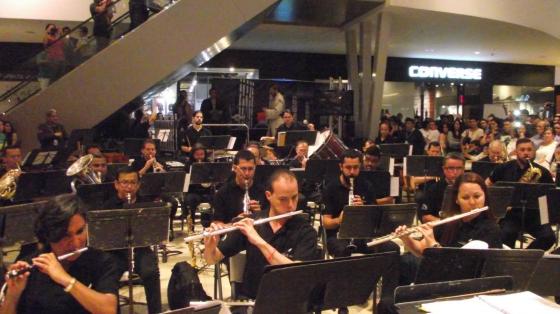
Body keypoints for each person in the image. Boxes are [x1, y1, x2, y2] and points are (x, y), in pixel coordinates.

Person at [203, 169, 320, 299]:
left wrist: (258, 241)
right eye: (283, 199)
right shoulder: (251, 223)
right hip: (253, 301)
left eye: (294, 197)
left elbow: (295, 273)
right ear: (269, 195)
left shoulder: (306, 231)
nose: (291, 205)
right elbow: (211, 259)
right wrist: (210, 246)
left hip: (288, 301)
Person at [1, 194, 120, 314]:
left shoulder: (102, 262)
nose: (75, 242)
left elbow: (108, 310)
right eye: (66, 235)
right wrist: (13, 294)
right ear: (50, 235)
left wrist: (64, 279)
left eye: (80, 231)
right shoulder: (30, 267)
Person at [397, 172, 502, 285]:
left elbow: (459, 269)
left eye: (477, 196)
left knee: (410, 265)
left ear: (485, 196)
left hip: (466, 283)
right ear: (457, 200)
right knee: (404, 261)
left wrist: (433, 244)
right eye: (465, 197)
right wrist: (406, 239)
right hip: (442, 277)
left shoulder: (491, 229)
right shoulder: (451, 222)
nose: (472, 202)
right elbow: (421, 252)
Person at [102, 167, 161, 313]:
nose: (129, 186)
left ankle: (156, 311)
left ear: (138, 185)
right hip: (115, 252)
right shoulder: (107, 206)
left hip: (140, 249)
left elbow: (154, 233)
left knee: (151, 272)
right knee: (107, 276)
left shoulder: (146, 204)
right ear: (116, 184)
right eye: (124, 182)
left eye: (133, 182)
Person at [322, 149, 399, 257]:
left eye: (356, 167)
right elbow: (326, 222)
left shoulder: (366, 185)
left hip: (363, 234)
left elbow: (376, 218)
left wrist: (364, 210)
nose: (352, 172)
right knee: (343, 251)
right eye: (348, 168)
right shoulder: (331, 188)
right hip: (338, 235)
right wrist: (339, 220)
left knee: (392, 248)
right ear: (341, 167)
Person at [486, 138, 556, 250]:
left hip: (536, 214)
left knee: (549, 237)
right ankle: (508, 262)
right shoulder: (503, 168)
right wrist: (497, 208)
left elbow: (549, 197)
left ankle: (527, 257)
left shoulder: (543, 172)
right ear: (516, 152)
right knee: (506, 234)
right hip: (511, 214)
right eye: (522, 150)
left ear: (534, 152)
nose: (526, 153)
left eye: (529, 149)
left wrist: (545, 219)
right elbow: (487, 186)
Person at [211, 150, 267, 226]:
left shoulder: (264, 191)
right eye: (243, 169)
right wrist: (235, 222)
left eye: (250, 169)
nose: (247, 173)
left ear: (255, 168)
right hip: (232, 235)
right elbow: (217, 224)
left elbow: (271, 222)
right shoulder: (223, 193)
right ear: (235, 168)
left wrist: (260, 214)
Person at [416, 153, 465, 223]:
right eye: (451, 168)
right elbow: (425, 216)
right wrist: (448, 224)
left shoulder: (469, 188)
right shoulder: (433, 189)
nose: (455, 172)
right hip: (441, 227)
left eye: (459, 168)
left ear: (463, 169)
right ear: (444, 169)